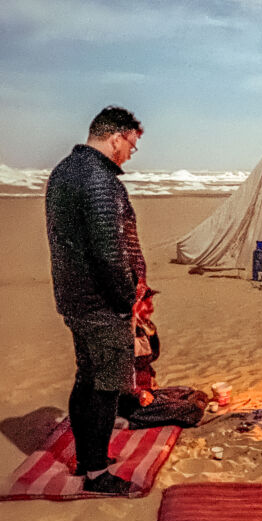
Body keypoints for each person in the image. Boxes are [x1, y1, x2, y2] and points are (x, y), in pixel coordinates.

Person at [45, 106, 145, 494]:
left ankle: (88, 458)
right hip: (100, 301)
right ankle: (96, 473)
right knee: (105, 386)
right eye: (131, 146)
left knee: (87, 376)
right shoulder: (98, 179)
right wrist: (125, 296)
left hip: (72, 295)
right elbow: (108, 250)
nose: (130, 155)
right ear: (116, 137)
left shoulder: (63, 171)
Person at [117, 289, 208, 428]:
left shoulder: (142, 327)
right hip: (130, 404)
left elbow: (151, 357)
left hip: (147, 391)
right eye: (146, 304)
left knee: (191, 392)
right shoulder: (121, 334)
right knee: (193, 409)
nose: (151, 308)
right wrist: (138, 395)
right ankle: (129, 422)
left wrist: (153, 335)